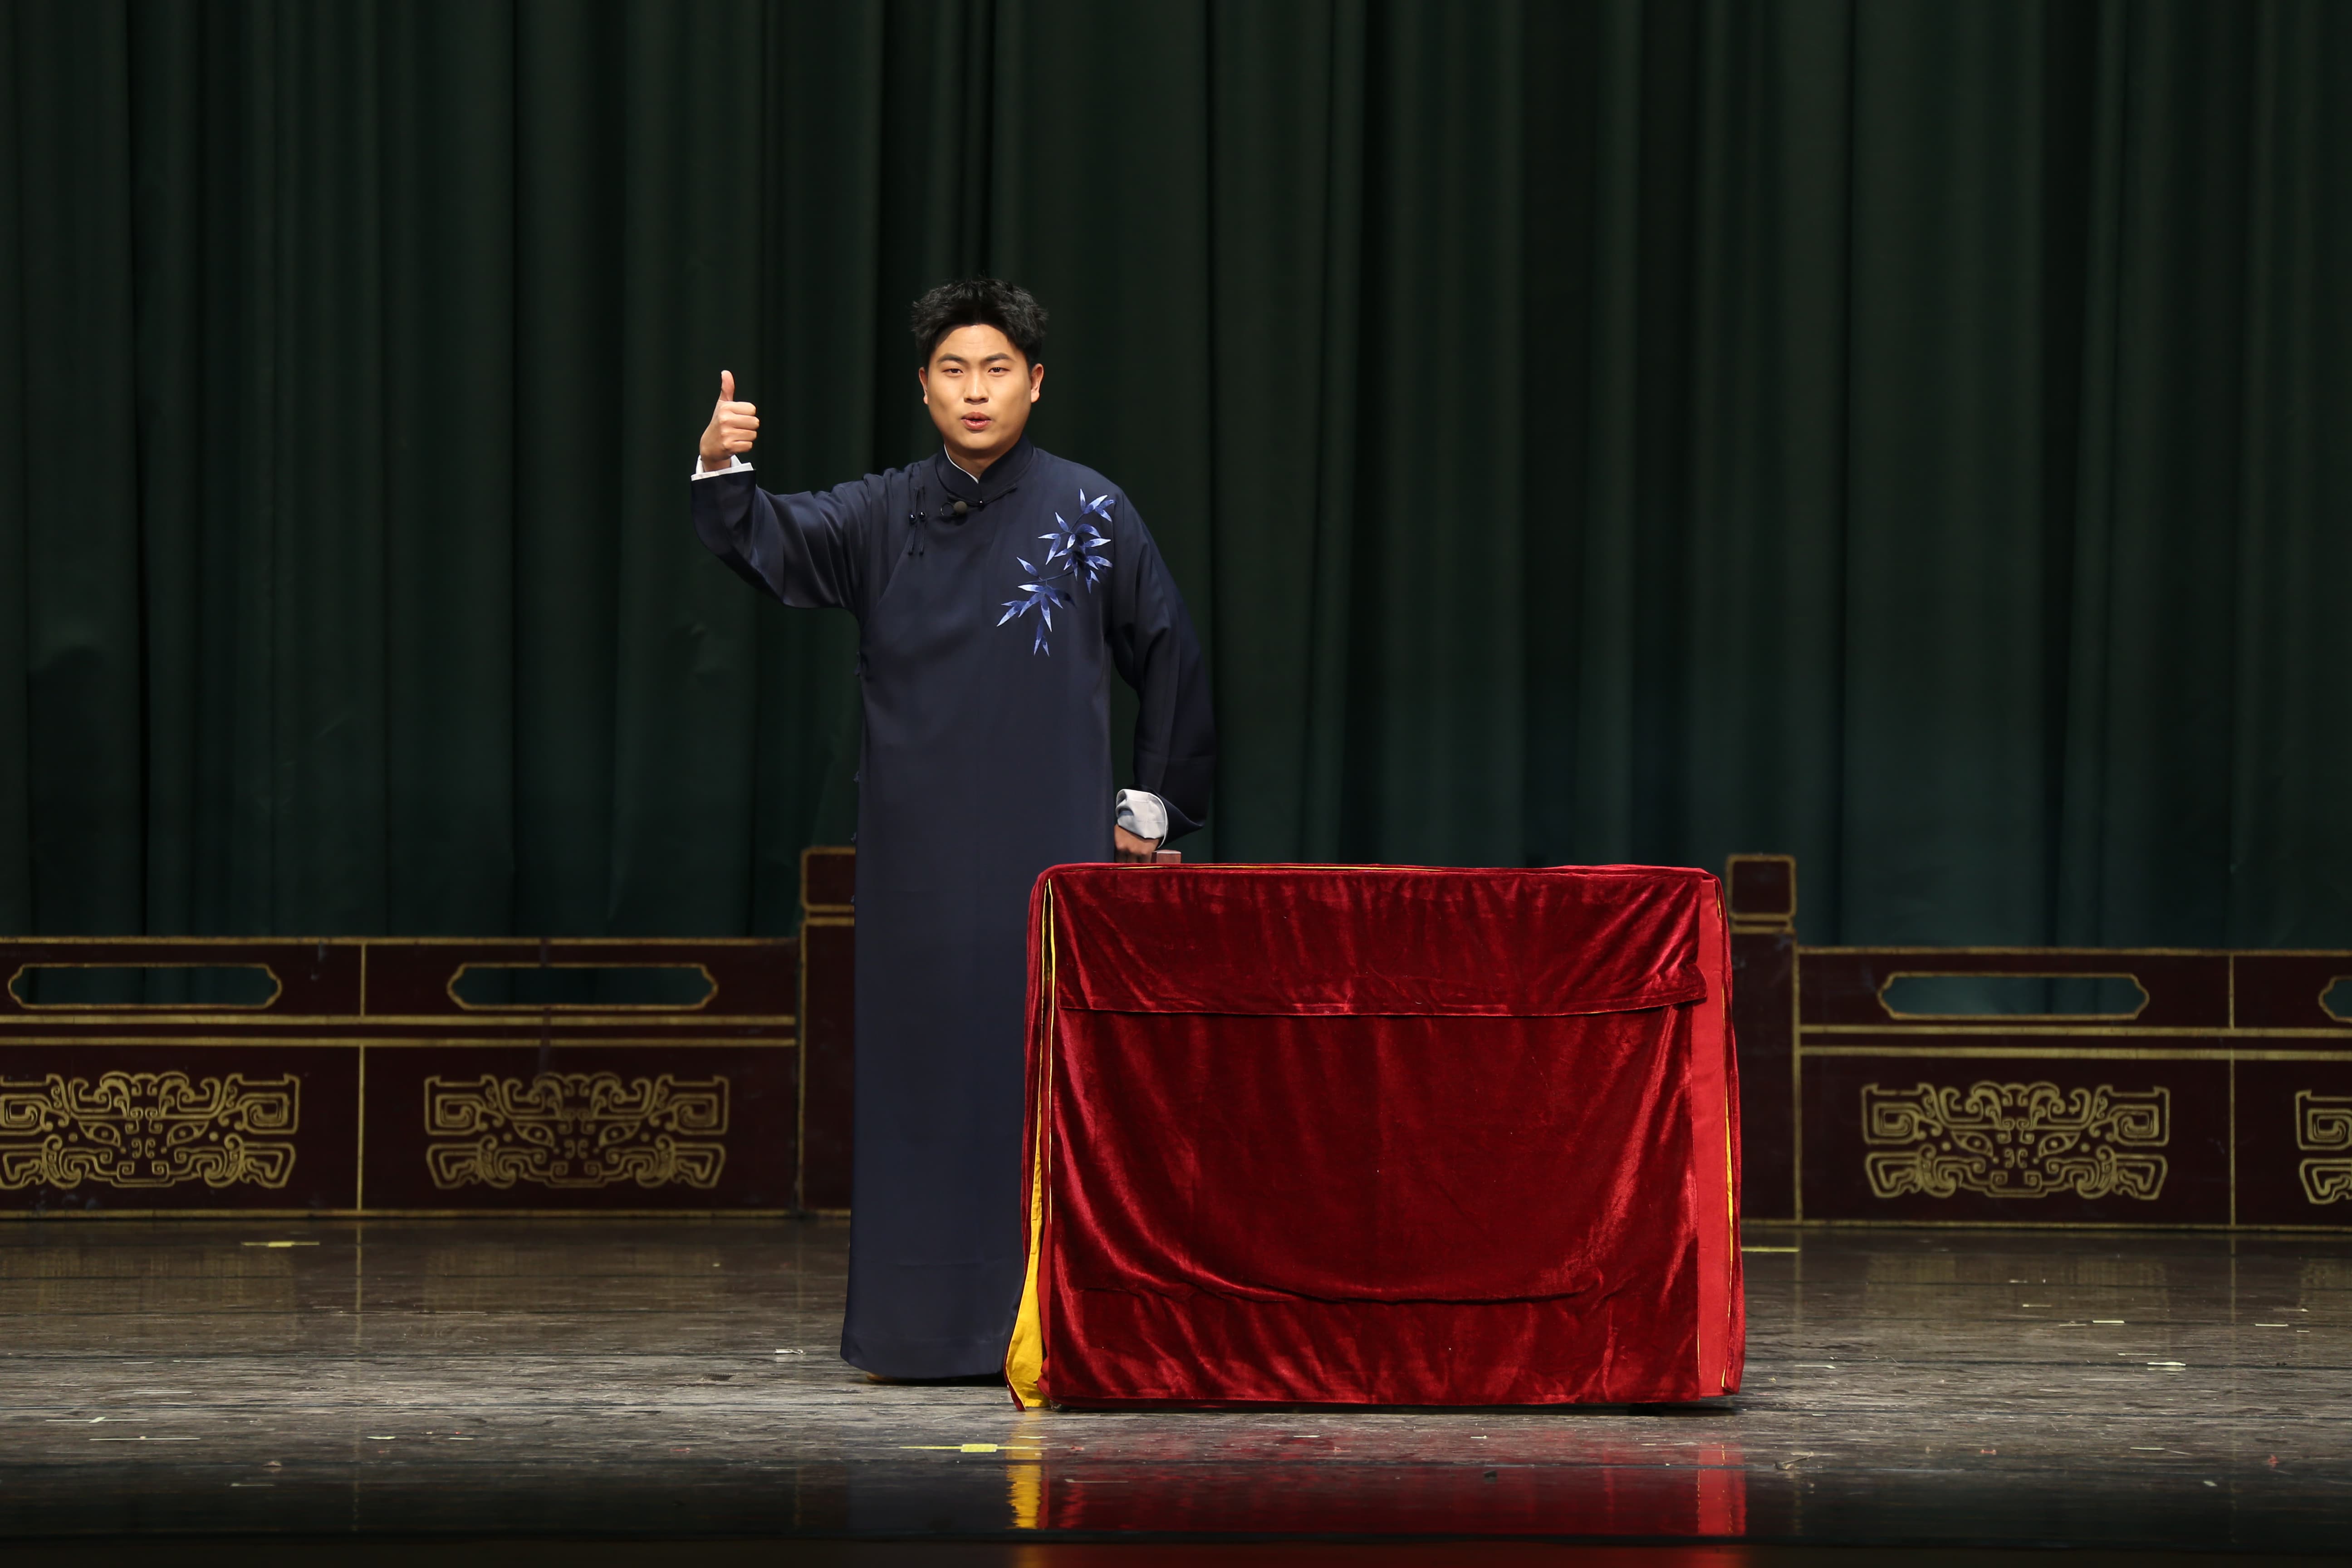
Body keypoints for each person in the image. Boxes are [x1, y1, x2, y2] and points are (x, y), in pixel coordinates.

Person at [690, 278, 1215, 1380]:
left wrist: (1150, 805)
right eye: (953, 371)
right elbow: (772, 539)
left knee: (1038, 1082)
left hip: (1049, 853)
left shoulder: (1090, 510)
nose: (976, 392)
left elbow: (1167, 648)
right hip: (917, 865)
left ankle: (1046, 1328)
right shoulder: (883, 514)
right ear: (925, 389)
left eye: (997, 370)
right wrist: (724, 469)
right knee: (922, 1080)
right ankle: (919, 1330)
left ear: (1036, 383)